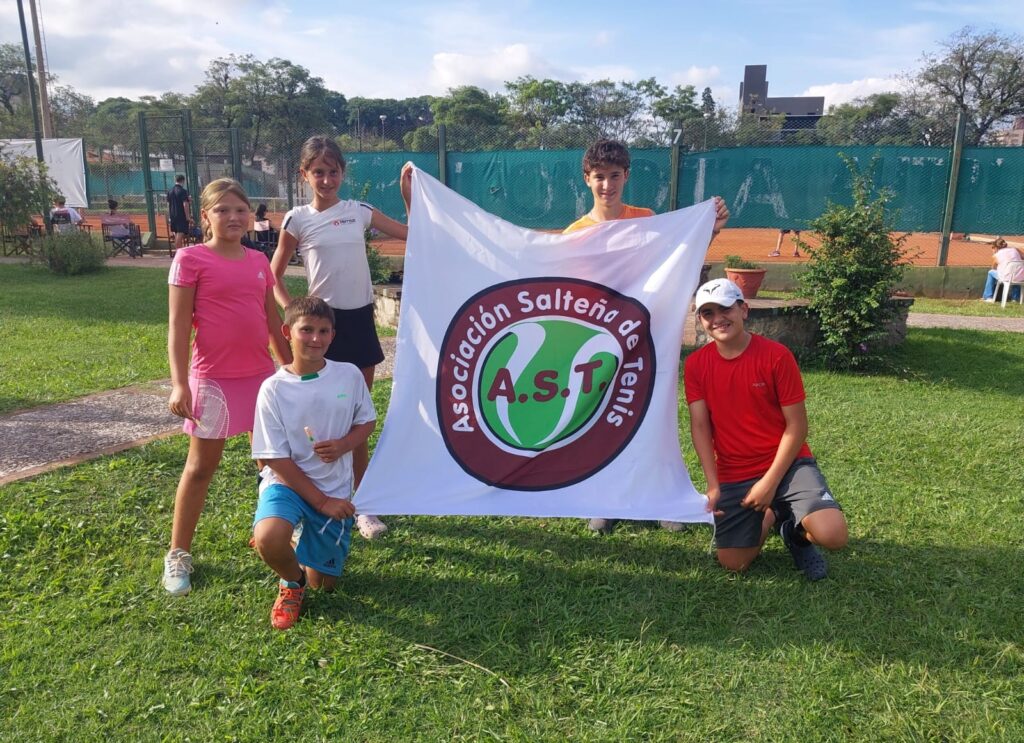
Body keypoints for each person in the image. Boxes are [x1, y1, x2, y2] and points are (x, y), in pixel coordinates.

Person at [563, 138, 730, 535]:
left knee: (650, 415)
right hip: (599, 342)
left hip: (646, 336)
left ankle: (660, 498)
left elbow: (675, 262)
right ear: (587, 180)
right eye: (599, 177)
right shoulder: (574, 233)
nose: (607, 185)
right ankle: (608, 499)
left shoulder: (646, 218)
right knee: (603, 417)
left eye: (615, 176)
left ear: (627, 176)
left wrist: (712, 232)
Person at [270, 135, 411, 541]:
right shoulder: (297, 219)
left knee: (356, 419)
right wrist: (294, 312)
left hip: (359, 322)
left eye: (333, 172)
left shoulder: (359, 212)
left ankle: (364, 505)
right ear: (305, 175)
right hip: (321, 328)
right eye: (319, 172)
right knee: (312, 420)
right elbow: (272, 275)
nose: (327, 179)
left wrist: (406, 195)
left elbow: (413, 233)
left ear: (342, 174)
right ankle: (307, 504)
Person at [163, 178, 291, 596]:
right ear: (206, 216)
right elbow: (179, 327)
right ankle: (178, 553)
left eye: (240, 210)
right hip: (213, 380)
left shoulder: (258, 260)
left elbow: (272, 321)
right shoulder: (189, 259)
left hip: (260, 379)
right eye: (222, 210)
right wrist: (180, 384)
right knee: (200, 468)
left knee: (272, 464)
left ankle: (271, 529)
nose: (233, 217)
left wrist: (290, 369)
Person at [684, 278, 848, 580]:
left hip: (787, 464)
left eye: (725, 309)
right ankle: (774, 515)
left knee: (833, 534)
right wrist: (713, 485)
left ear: (743, 310)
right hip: (735, 471)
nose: (718, 319)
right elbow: (699, 426)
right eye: (708, 313)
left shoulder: (776, 356)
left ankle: (794, 534)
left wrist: (769, 482)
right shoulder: (695, 365)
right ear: (701, 320)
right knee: (733, 564)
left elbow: (797, 427)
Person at [251, 296, 377, 629]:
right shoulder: (273, 389)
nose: (315, 339)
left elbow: (367, 422)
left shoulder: (348, 376)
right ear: (287, 332)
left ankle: (295, 540)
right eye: (306, 330)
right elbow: (275, 457)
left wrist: (344, 445)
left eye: (323, 331)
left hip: (332, 486)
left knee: (326, 585)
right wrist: (321, 502)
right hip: (289, 483)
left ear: (333, 335)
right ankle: (291, 583)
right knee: (268, 538)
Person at [981, 237, 1024, 303]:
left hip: (1006, 277)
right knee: (1016, 273)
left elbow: (993, 268)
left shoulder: (996, 255)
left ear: (995, 248)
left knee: (991, 272)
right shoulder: (1015, 250)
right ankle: (1015, 298)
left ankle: (988, 297)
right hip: (1021, 277)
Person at [167, 174, 191, 253]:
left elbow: (168, 204)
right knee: (180, 234)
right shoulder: (183, 191)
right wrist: (187, 217)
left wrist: (169, 216)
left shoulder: (170, 191)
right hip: (181, 215)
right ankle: (179, 252)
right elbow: (185, 204)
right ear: (183, 181)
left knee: (176, 233)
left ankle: (178, 251)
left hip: (173, 215)